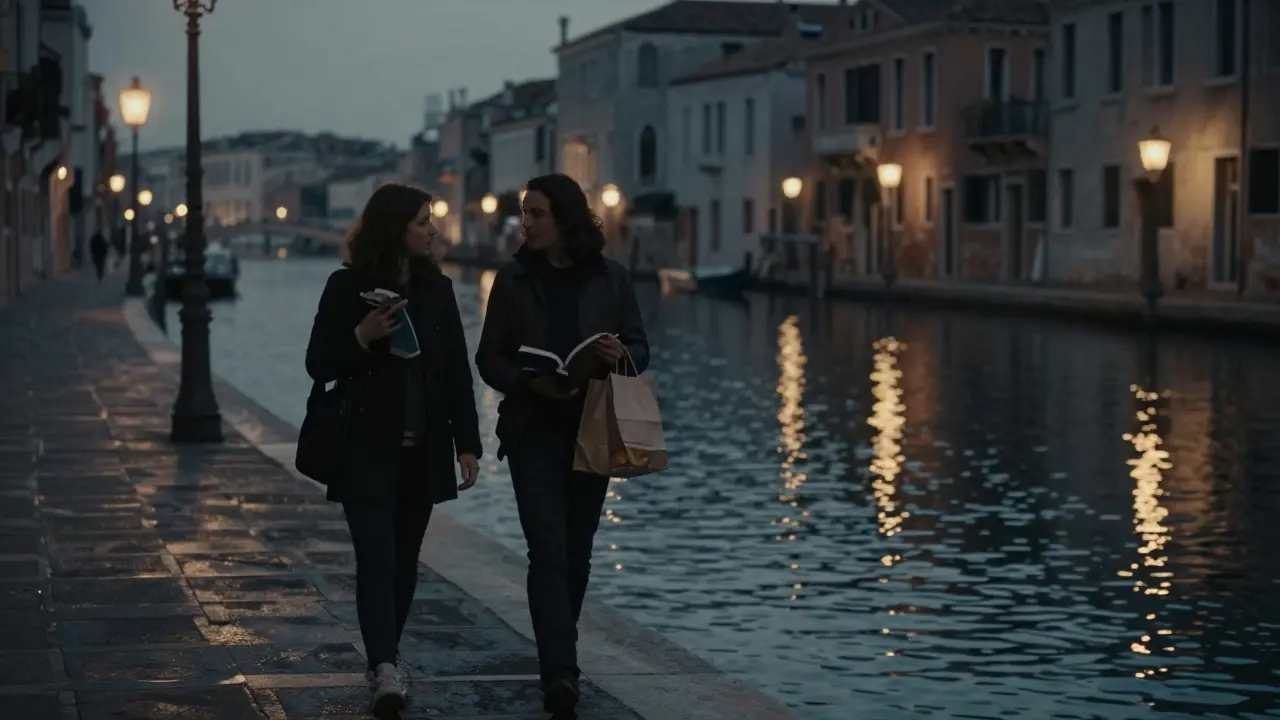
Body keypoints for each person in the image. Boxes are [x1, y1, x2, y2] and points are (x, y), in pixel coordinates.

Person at [304, 182, 482, 718]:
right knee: (377, 559)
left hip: (423, 449)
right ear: (395, 229)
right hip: (364, 447)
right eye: (423, 221)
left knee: (404, 563)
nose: (433, 229)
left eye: (431, 220)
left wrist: (468, 445)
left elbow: (455, 371)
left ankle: (387, 656)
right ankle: (384, 666)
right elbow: (318, 362)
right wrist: (361, 336)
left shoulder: (440, 290)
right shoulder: (345, 287)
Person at [475, 173, 649, 714]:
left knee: (576, 553)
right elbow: (489, 357)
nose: (525, 222)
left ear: (566, 219)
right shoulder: (511, 280)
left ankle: (559, 651)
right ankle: (560, 671)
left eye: (536, 214)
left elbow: (641, 348)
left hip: (593, 427)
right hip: (532, 430)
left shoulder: (612, 279)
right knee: (547, 551)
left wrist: (617, 352)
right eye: (524, 213)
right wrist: (529, 380)